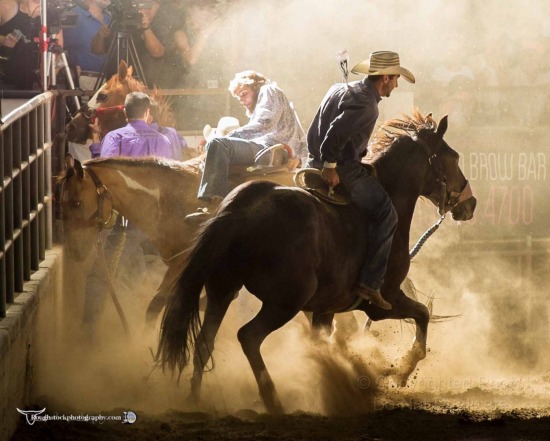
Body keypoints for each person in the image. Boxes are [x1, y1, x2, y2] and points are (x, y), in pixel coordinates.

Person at [306, 51, 415, 310]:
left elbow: (324, 128)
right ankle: (370, 282)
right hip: (342, 168)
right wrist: (331, 164)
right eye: (396, 79)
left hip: (312, 161)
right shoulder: (368, 104)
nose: (397, 85)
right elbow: (336, 132)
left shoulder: (340, 89)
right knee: (387, 214)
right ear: (385, 78)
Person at [83, 91, 176, 336]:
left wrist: (95, 142)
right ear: (148, 113)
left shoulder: (115, 137)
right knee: (154, 273)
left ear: (125, 112)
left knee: (101, 274)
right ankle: (148, 328)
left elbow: (106, 173)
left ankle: (90, 330)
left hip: (126, 223)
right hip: (158, 225)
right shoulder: (164, 141)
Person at [187, 70, 305, 221]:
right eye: (238, 97)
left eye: (243, 93)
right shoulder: (274, 97)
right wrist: (300, 157)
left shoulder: (268, 90)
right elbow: (301, 137)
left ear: (255, 85)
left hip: (268, 148)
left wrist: (227, 137)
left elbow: (265, 122)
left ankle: (214, 204)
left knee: (218, 144)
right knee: (218, 146)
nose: (241, 100)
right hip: (269, 149)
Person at [0, 0, 64, 90]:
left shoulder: (52, 15)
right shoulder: (7, 6)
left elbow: (58, 53)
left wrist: (48, 80)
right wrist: (3, 40)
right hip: (6, 83)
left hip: (38, 85)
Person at [62, 0, 112, 93]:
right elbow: (61, 48)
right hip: (84, 80)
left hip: (109, 80)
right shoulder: (74, 15)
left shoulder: (109, 17)